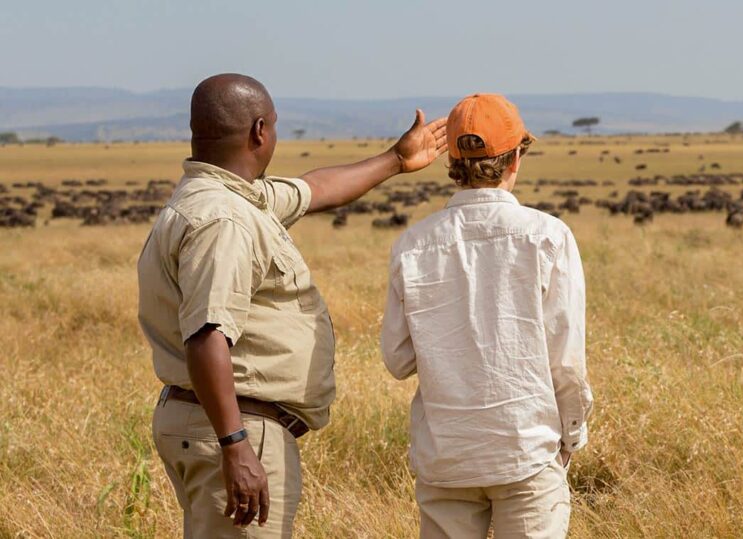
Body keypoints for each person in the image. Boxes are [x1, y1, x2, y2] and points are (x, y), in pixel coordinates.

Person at [137, 73, 447, 538]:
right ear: (260, 131)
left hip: (220, 423)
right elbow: (206, 336)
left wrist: (396, 160)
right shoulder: (224, 220)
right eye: (276, 126)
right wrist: (236, 445)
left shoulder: (232, 197)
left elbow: (314, 188)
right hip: (237, 427)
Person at [380, 93, 593, 538]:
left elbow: (397, 362)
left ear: (452, 162)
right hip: (526, 451)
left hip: (447, 458)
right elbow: (566, 362)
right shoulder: (548, 237)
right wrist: (570, 436)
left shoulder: (412, 245)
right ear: (516, 157)